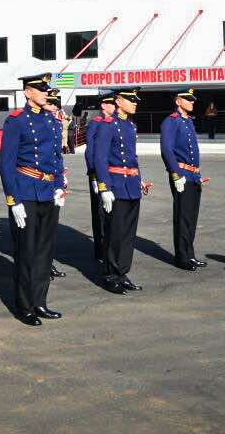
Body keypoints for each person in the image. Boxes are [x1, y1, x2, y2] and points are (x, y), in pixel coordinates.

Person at [0, 74, 66, 325]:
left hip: (48, 191)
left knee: (44, 252)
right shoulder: (16, 121)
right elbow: (7, 163)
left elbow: (57, 157)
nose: (45, 93)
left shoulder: (51, 119)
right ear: (28, 92)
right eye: (40, 89)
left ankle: (40, 302)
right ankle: (25, 306)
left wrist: (59, 185)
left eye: (46, 90)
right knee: (26, 252)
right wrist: (12, 199)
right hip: (25, 191)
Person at [94, 87, 152, 294]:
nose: (135, 103)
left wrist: (140, 180)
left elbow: (132, 158)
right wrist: (104, 188)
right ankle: (110, 275)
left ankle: (122, 272)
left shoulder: (130, 126)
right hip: (116, 186)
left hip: (131, 186)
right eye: (131, 100)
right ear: (118, 101)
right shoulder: (108, 125)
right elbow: (100, 158)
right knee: (115, 234)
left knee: (128, 235)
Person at [160, 88, 208, 271]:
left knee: (191, 217)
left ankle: (190, 254)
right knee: (183, 216)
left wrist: (197, 174)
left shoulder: (187, 121)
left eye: (193, 100)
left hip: (192, 175)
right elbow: (167, 150)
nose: (192, 102)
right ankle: (182, 257)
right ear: (178, 101)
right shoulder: (171, 122)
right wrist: (175, 174)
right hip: (181, 175)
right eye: (188, 99)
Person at [84, 92, 115, 263]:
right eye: (112, 104)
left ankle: (109, 246)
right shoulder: (96, 123)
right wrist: (94, 175)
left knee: (111, 212)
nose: (115, 107)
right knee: (100, 213)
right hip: (98, 174)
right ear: (103, 105)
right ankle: (101, 249)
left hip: (112, 173)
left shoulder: (115, 123)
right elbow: (91, 151)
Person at [42, 89, 66, 279]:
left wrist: (60, 178)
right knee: (39, 229)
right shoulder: (37, 124)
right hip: (37, 181)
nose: (53, 108)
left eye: (55, 105)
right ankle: (40, 265)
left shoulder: (57, 125)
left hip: (53, 180)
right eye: (50, 104)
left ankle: (48, 263)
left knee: (51, 226)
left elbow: (58, 156)